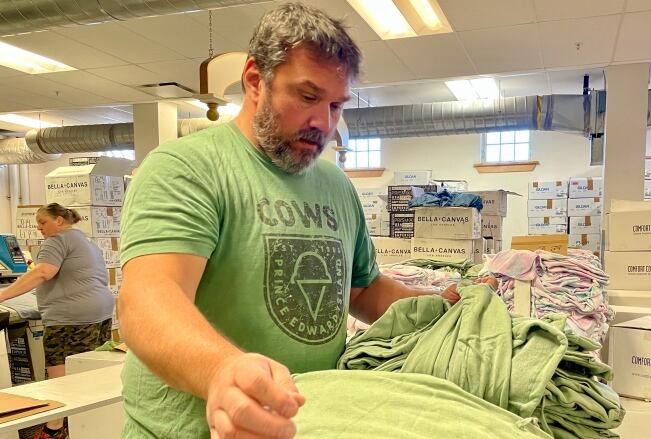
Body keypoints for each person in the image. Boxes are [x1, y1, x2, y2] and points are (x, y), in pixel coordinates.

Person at [117, 3, 470, 439]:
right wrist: (222, 371)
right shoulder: (187, 168)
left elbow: (362, 289)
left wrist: (434, 307)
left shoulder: (335, 185)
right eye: (307, 97)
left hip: (310, 425)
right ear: (254, 81)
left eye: (336, 105)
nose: (323, 123)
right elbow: (148, 297)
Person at [0, 203, 115, 439]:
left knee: (62, 378)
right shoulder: (85, 241)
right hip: (99, 313)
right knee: (85, 373)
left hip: (72, 319)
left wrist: (2, 295)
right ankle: (89, 426)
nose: (40, 229)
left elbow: (43, 272)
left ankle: (55, 429)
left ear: (59, 220)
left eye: (43, 223)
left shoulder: (57, 240)